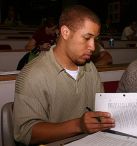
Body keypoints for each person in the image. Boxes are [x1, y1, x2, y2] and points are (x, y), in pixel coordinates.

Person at [13, 5, 115, 145]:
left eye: (95, 40)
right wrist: (78, 125)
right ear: (65, 32)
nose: (92, 46)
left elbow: (100, 112)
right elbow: (25, 132)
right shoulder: (32, 74)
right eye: (87, 38)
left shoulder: (90, 68)